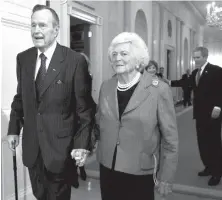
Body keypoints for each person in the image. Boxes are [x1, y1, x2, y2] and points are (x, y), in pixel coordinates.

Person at [6, 4, 95, 200]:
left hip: (60, 150)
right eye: (33, 25)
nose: (37, 30)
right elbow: (20, 97)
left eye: (43, 25)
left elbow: (84, 109)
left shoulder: (74, 61)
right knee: (40, 195)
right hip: (32, 149)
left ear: (56, 30)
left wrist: (82, 145)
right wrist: (13, 128)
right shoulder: (24, 59)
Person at [95, 32, 178, 200]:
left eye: (124, 54)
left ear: (138, 58)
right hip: (108, 167)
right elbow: (99, 123)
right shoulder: (106, 86)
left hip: (140, 171)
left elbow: (170, 139)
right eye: (114, 54)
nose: (117, 58)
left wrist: (166, 177)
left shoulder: (158, 90)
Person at [189, 46, 222, 186]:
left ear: (205, 57)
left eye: (198, 57)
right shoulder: (196, 72)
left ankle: (217, 172)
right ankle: (208, 167)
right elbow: (185, 84)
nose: (195, 60)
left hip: (213, 114)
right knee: (202, 143)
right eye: (194, 57)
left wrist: (218, 106)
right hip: (200, 114)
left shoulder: (216, 70)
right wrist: (168, 82)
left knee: (213, 144)